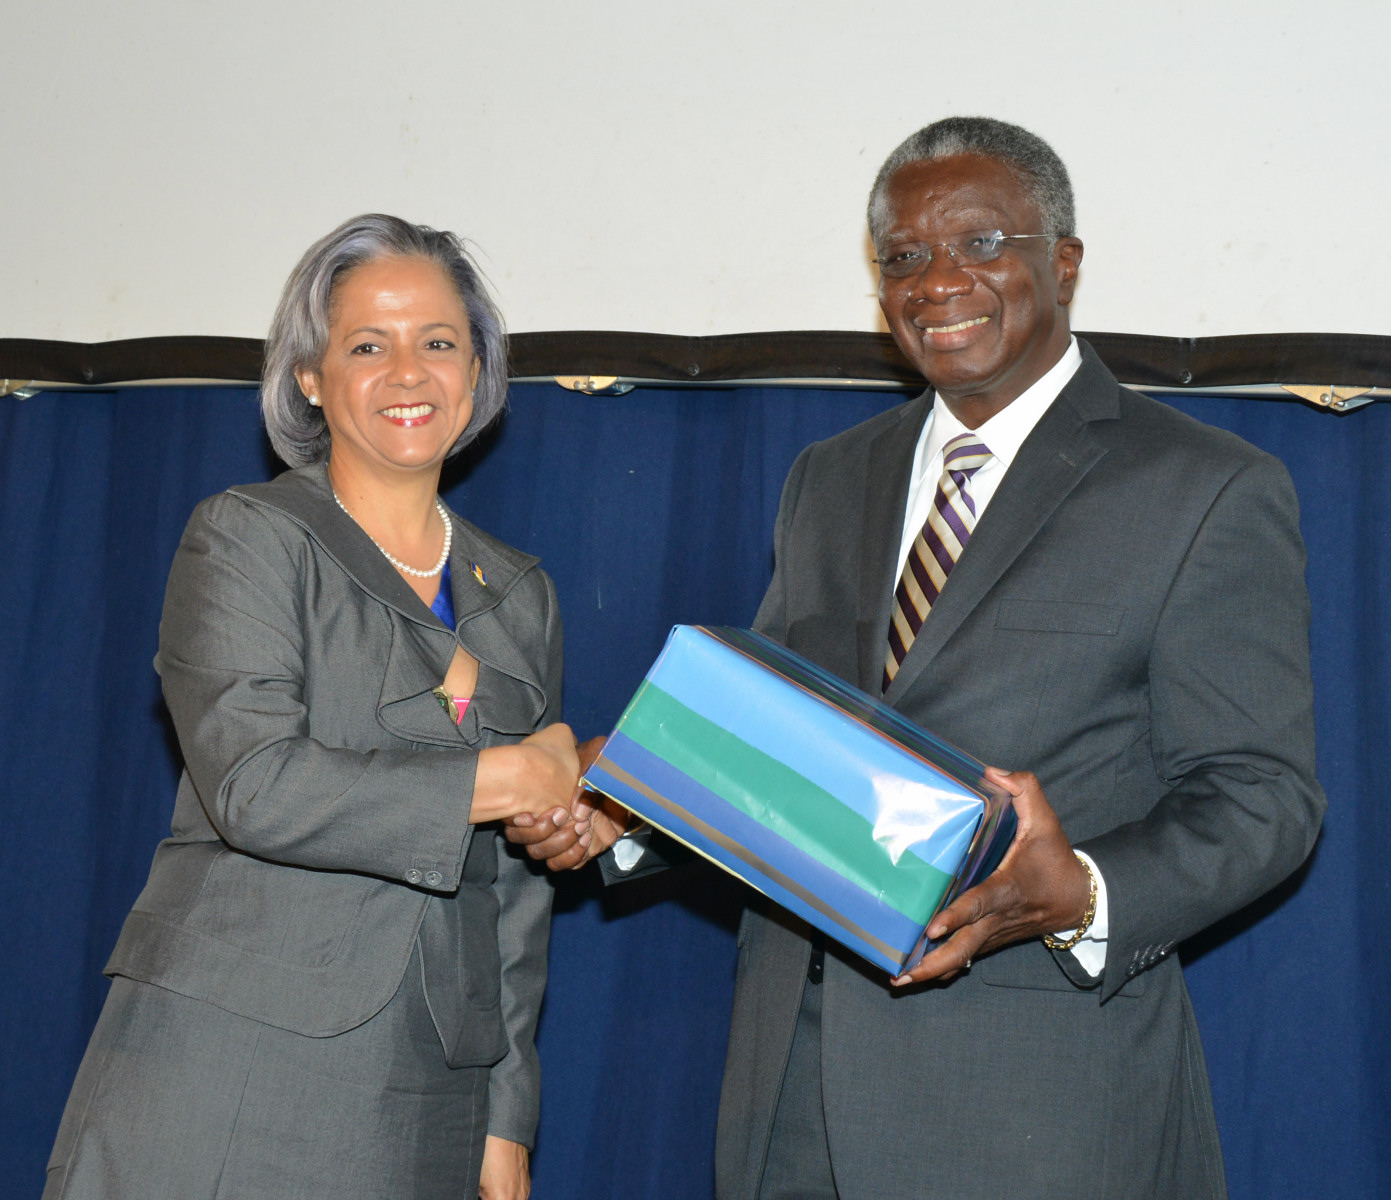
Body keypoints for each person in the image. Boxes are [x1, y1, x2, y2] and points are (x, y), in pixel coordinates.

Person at [508, 118, 1326, 1199]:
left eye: (980, 243)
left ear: (1063, 263)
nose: (937, 281)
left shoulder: (1203, 487)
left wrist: (1078, 893)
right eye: (901, 256)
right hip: (786, 1091)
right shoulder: (829, 475)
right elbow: (782, 746)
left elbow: (1262, 797)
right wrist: (633, 803)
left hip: (1034, 1109)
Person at [44, 214, 580, 1200]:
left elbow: (513, 890)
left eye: (438, 342)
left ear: (476, 371)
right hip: (228, 1062)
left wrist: (507, 1111)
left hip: (430, 1089)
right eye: (367, 346)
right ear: (310, 378)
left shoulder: (520, 592)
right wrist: (504, 775)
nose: (408, 372)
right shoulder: (247, 537)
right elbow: (256, 786)